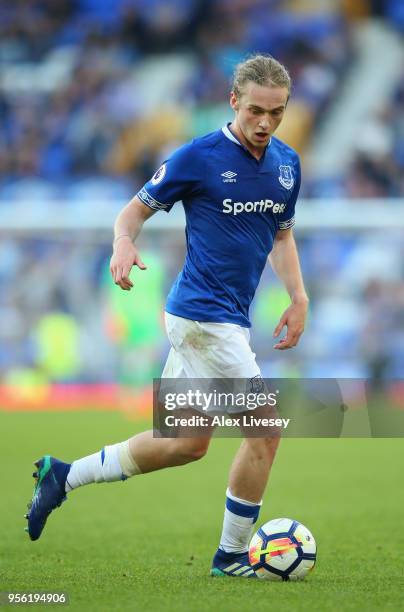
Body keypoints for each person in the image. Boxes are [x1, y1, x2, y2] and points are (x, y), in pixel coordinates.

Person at [26, 54, 309, 578]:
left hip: (213, 319)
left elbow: (282, 233)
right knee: (266, 433)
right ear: (233, 102)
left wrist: (298, 296)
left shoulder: (287, 165)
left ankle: (62, 477)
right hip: (205, 318)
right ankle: (230, 557)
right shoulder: (198, 157)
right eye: (254, 111)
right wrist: (122, 244)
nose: (265, 123)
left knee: (183, 444)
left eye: (276, 112)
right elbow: (132, 211)